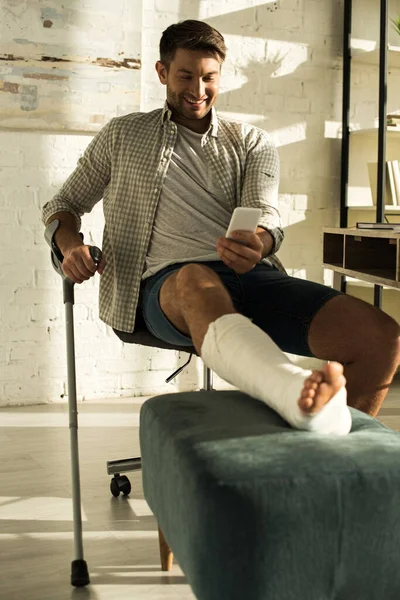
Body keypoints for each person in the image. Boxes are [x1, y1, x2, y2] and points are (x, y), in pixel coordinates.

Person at [42, 20, 399, 435]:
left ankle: (327, 460)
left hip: (250, 279)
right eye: (186, 76)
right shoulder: (123, 134)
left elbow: (266, 215)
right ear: (162, 73)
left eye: (209, 77)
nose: (198, 89)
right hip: (164, 291)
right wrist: (70, 247)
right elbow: (63, 204)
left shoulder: (250, 141)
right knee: (197, 278)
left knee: (381, 338)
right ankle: (288, 390)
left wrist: (259, 242)